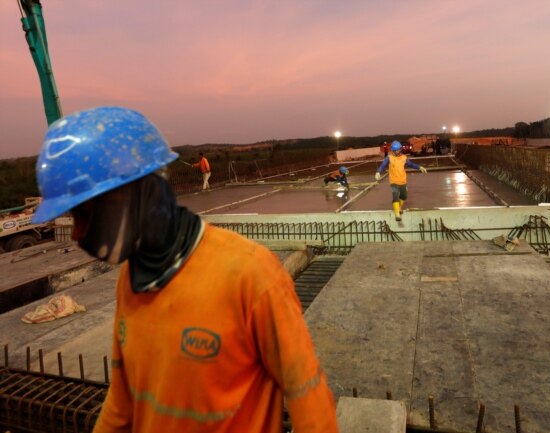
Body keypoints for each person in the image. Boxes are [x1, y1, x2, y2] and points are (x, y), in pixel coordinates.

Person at [31, 107, 339, 433]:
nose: (77, 233)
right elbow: (122, 404)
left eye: (83, 213)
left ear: (133, 197)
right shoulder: (131, 281)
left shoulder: (249, 274)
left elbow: (310, 402)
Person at [375, 140, 427, 222]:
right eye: (395, 150)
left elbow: (411, 164)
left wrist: (419, 167)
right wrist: (378, 172)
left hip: (403, 181)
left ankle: (398, 208)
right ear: (392, 150)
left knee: (404, 196)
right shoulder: (389, 158)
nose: (397, 151)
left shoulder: (404, 158)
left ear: (400, 149)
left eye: (398, 150)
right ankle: (397, 214)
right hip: (393, 181)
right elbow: (383, 165)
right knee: (395, 196)